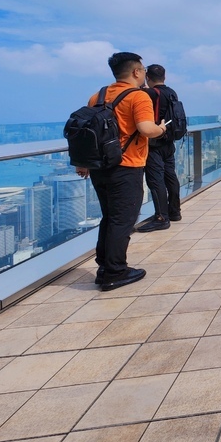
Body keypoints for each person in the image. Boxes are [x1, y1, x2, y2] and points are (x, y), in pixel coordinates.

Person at [75, 52, 168, 291]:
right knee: (123, 219)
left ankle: (104, 267)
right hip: (127, 166)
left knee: (109, 216)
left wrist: (83, 163)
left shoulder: (98, 96)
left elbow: (88, 132)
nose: (145, 75)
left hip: (99, 167)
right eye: (143, 70)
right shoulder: (139, 97)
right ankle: (115, 272)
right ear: (136, 71)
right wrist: (160, 129)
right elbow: (145, 129)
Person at [138, 64, 182, 232]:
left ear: (147, 77)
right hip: (169, 141)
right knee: (170, 176)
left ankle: (161, 217)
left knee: (155, 180)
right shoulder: (171, 92)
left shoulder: (148, 93)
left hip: (154, 142)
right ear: (164, 76)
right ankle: (175, 211)